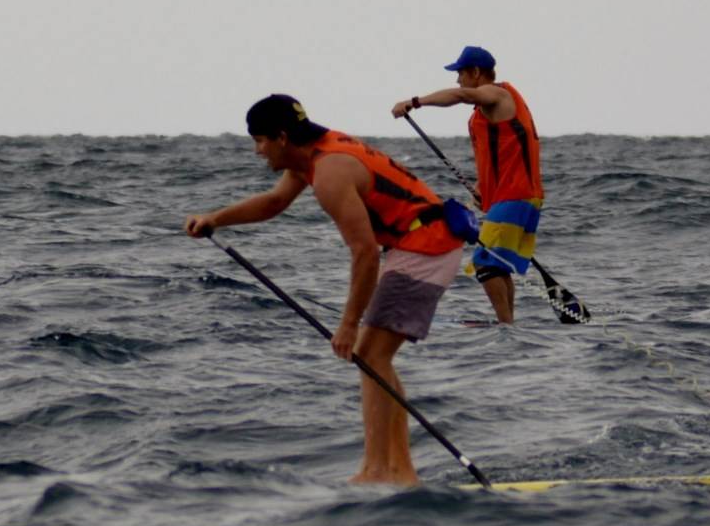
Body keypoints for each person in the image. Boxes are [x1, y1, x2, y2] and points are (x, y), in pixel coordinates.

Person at [185, 94, 470, 486]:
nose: (257, 151)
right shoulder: (313, 155)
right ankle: (399, 471)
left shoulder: (331, 172)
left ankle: (378, 471)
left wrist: (348, 324)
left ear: (282, 137)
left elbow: (365, 253)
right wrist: (215, 219)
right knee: (376, 357)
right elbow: (274, 202)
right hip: (421, 243)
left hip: (426, 246)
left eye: (260, 141)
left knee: (369, 354)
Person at [391, 45, 542, 324]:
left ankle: (505, 325)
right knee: (497, 264)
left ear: (475, 72)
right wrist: (482, 188)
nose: (458, 80)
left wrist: (414, 102)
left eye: (460, 73)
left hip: (515, 196)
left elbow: (461, 95)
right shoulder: (488, 110)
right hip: (514, 197)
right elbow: (500, 155)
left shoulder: (498, 94)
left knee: (485, 264)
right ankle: (509, 324)